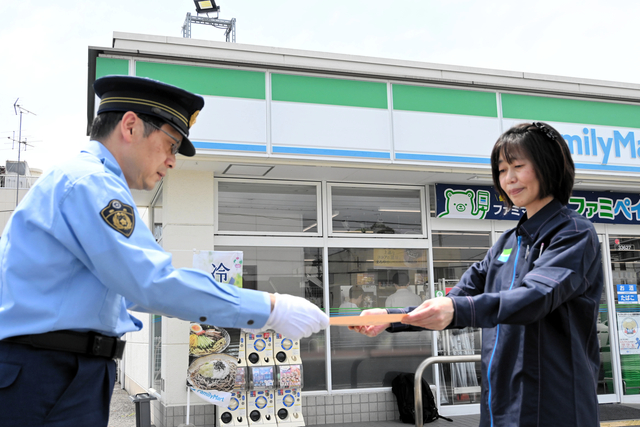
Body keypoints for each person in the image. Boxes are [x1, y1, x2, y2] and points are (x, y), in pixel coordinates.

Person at [0, 75, 329, 427]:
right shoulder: (92, 183)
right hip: (47, 371)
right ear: (130, 126)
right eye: (170, 144)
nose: (173, 161)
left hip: (55, 368)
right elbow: (150, 282)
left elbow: (133, 289)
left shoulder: (87, 181)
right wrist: (269, 309)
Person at [351, 122, 603, 427]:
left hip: (555, 404)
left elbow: (537, 297)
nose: (508, 178)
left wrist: (454, 310)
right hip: (501, 403)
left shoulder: (574, 233)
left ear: (548, 166)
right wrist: (389, 317)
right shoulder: (507, 243)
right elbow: (459, 297)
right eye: (501, 170)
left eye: (518, 166)